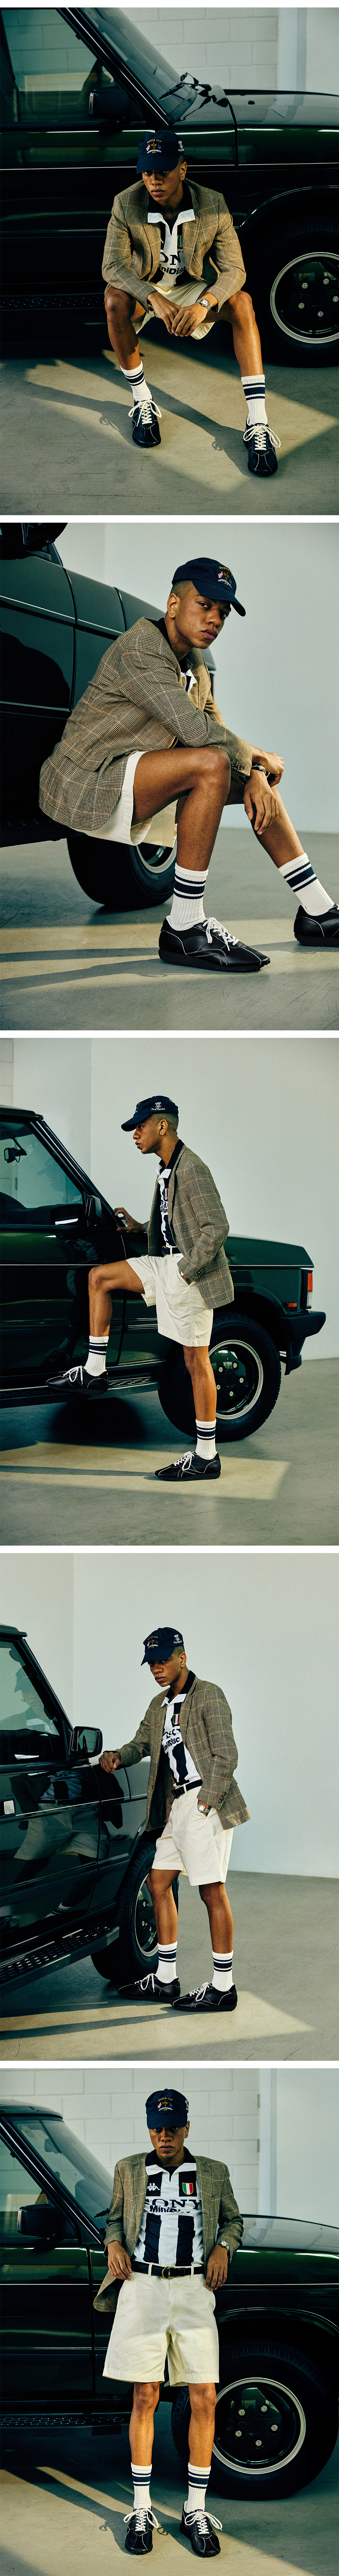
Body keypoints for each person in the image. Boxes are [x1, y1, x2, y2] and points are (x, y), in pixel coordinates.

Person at [39, 558, 339, 969]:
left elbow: (216, 726)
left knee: (252, 782)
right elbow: (196, 731)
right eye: (205, 605)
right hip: (88, 780)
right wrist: (258, 756)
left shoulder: (194, 659)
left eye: (223, 612)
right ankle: (185, 927)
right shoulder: (141, 649)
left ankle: (319, 913)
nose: (215, 619)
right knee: (211, 764)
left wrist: (256, 773)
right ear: (173, 604)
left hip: (135, 772)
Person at [46, 1093, 236, 1485]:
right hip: (163, 1262)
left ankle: (206, 1456)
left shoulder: (192, 1168)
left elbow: (216, 1226)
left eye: (140, 1126)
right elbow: (177, 1222)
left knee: (195, 1361)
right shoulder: (167, 1167)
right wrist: (140, 1228)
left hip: (187, 1273)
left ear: (162, 1126)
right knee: (99, 1277)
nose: (135, 1134)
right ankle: (95, 1371)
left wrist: (186, 1272)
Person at [94, 2085, 242, 2554]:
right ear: (149, 2129)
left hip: (195, 2288)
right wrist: (113, 2243)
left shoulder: (213, 2172)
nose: (165, 2135)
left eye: (173, 2127)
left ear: (187, 2127)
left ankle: (195, 2509)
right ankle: (142, 2508)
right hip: (144, 2286)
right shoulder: (129, 2169)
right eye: (158, 2128)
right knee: (145, 2394)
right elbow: (114, 2220)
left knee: (204, 2395)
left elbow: (234, 2221)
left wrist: (224, 2247)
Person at [102, 127, 279, 477]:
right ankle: (143, 402)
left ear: (182, 170)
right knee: (114, 301)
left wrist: (205, 303)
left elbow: (236, 270)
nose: (154, 181)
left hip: (193, 289)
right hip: (148, 289)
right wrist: (152, 297)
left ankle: (257, 422)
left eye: (163, 172)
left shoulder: (212, 204)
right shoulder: (126, 203)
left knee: (242, 303)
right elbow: (113, 266)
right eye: (147, 172)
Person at [99, 1623, 250, 2012]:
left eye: (163, 1660)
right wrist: (118, 1755)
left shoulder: (209, 1695)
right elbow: (141, 1744)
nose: (157, 1668)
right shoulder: (158, 1705)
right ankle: (165, 1979)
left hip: (203, 1801)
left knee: (211, 1891)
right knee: (158, 1881)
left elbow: (226, 1755)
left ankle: (224, 1987)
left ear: (182, 1657)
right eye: (152, 1662)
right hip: (174, 1807)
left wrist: (206, 1803)